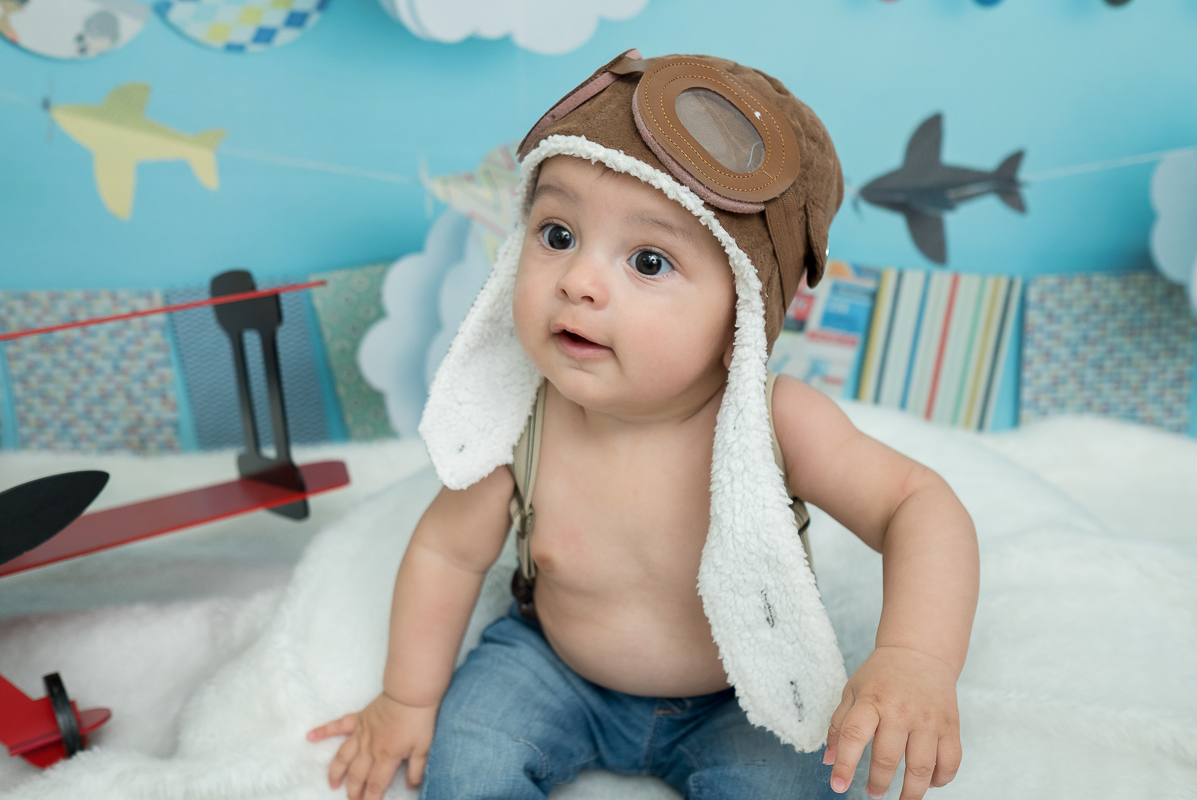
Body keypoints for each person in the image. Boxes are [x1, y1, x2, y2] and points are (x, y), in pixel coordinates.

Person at [308, 50, 979, 800]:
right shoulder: (522, 418)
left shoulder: (773, 421)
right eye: (557, 234)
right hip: (552, 668)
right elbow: (446, 553)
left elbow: (917, 504)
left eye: (650, 261)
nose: (579, 281)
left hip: (738, 696)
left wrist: (917, 657)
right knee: (469, 765)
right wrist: (408, 699)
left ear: (742, 319)